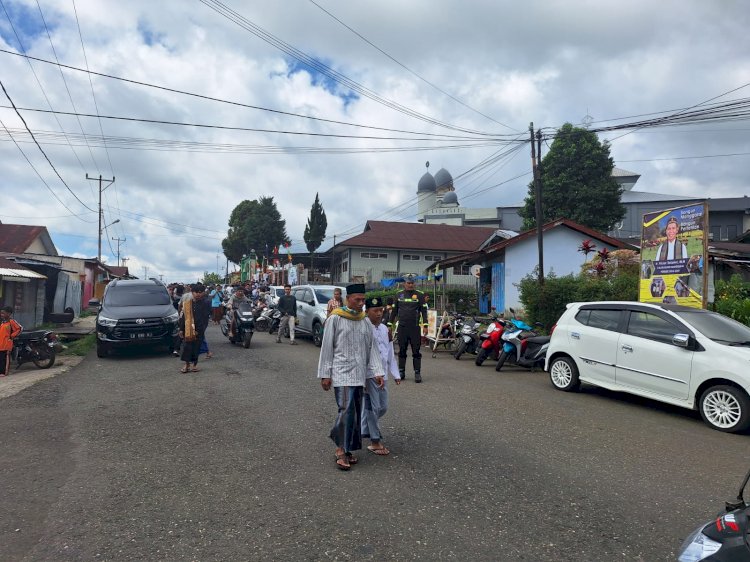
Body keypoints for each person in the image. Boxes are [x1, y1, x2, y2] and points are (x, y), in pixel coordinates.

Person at [318, 284, 384, 470]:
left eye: (363, 300)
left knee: (353, 413)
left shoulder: (364, 321)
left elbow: (372, 349)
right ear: (348, 299)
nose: (362, 304)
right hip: (341, 372)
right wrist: (325, 374)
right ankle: (341, 449)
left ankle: (346, 447)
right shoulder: (336, 319)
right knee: (346, 410)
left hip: (359, 374)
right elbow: (327, 347)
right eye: (358, 300)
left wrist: (377, 371)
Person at [362, 296, 400, 456]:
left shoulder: (385, 329)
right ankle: (375, 440)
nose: (378, 314)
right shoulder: (363, 328)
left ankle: (362, 428)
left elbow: (389, 353)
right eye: (375, 310)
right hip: (370, 374)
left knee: (382, 407)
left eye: (380, 310)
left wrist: (395, 373)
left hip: (383, 374)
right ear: (367, 311)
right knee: (373, 407)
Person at [391, 274, 428, 383]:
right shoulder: (398, 295)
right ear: (404, 283)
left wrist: (425, 326)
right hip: (402, 327)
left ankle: (417, 373)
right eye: (408, 283)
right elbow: (394, 311)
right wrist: (389, 325)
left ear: (414, 283)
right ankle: (401, 372)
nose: (410, 285)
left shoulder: (420, 295)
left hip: (415, 328)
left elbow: (424, 312)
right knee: (402, 350)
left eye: (412, 283)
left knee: (416, 351)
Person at [178, 283, 212, 373]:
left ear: (203, 293)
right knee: (187, 347)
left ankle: (194, 365)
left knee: (196, 348)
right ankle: (186, 365)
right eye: (196, 292)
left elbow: (205, 318)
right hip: (188, 329)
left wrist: (200, 329)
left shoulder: (206, 303)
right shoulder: (187, 304)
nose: (198, 294)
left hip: (199, 329)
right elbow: (183, 317)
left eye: (201, 292)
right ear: (192, 292)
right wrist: (181, 329)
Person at [0, 306, 22, 377]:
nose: (1, 315)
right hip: (1, 344)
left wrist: (12, 336)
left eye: (3, 313)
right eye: (1, 313)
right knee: (1, 358)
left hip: (7, 344)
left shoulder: (11, 321)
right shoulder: (3, 323)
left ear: (9, 313)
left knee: (5, 359)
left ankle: (4, 372)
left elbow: (19, 328)